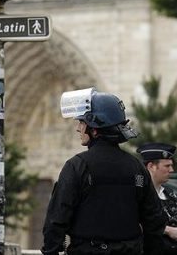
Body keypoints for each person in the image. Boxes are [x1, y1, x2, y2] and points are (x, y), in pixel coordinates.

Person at [42, 88, 166, 255]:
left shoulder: (76, 166)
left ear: (94, 129)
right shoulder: (136, 167)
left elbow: (56, 220)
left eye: (81, 122)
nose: (78, 128)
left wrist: (51, 251)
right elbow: (154, 220)